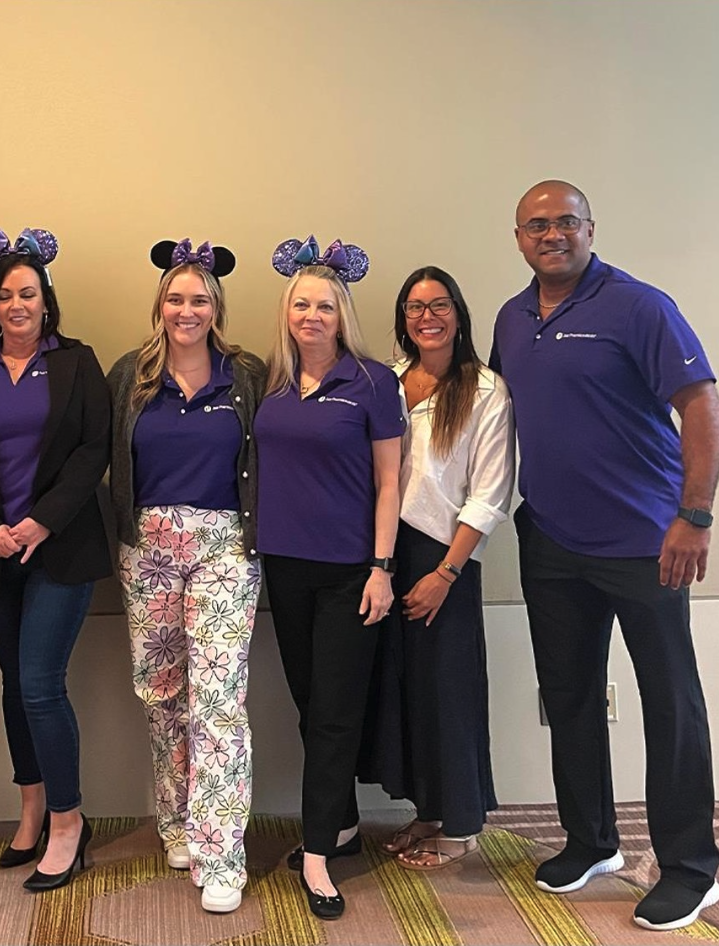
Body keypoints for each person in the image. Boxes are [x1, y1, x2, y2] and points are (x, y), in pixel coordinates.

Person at [491, 180, 719, 931]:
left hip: (647, 541)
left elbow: (699, 406)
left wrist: (693, 515)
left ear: (589, 228)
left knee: (670, 702)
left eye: (564, 222)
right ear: (517, 236)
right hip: (551, 539)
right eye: (535, 225)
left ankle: (691, 865)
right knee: (570, 697)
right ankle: (591, 842)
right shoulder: (510, 317)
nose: (550, 234)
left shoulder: (638, 306)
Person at [0, 228, 110, 892]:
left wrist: (41, 520)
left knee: (40, 684)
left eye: (28, 294)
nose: (17, 304)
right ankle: (32, 804)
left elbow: (92, 450)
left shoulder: (76, 361)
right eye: (6, 294)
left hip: (59, 549)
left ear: (46, 301)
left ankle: (69, 822)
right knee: (15, 685)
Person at [108, 239, 264, 915]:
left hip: (225, 545)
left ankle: (222, 852)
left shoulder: (246, 375)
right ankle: (177, 824)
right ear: (159, 306)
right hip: (146, 546)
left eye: (199, 299)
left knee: (220, 700)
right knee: (162, 693)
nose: (186, 309)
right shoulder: (131, 375)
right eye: (175, 298)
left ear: (216, 307)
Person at [255, 236, 404, 920]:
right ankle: (339, 823)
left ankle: (317, 854)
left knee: (337, 713)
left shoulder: (373, 382)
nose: (311, 315)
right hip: (283, 569)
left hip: (350, 573)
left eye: (323, 305)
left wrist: (380, 567)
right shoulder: (272, 384)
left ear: (341, 314)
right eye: (300, 305)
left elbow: (388, 481)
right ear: (287, 313)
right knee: (310, 703)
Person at [367, 266, 514, 870]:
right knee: (408, 692)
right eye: (414, 307)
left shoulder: (485, 389)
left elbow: (491, 492)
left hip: (442, 556)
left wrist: (446, 574)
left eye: (438, 305)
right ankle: (426, 811)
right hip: (387, 550)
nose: (426, 317)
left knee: (449, 693)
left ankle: (460, 827)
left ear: (458, 313)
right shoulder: (387, 381)